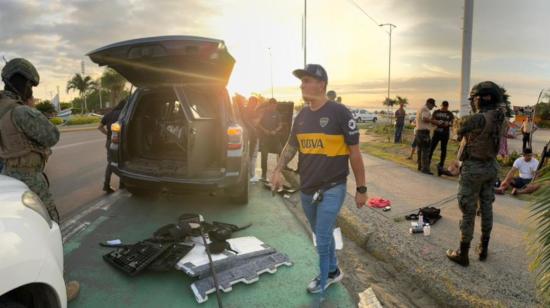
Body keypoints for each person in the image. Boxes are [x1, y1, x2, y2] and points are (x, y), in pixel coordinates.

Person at [271, 64, 367, 298]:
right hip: (307, 188)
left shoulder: (340, 112)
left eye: (306, 80)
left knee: (323, 235)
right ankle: (334, 270)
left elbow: (354, 153)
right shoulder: (301, 116)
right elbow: (291, 146)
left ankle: (324, 279)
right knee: (319, 233)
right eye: (301, 81)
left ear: (321, 84)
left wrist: (361, 188)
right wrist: (278, 170)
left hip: (333, 186)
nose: (301, 84)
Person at [0, 58, 80, 300]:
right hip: (28, 178)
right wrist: (32, 109)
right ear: (24, 84)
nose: (31, 91)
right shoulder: (20, 111)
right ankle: (59, 288)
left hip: (7, 175)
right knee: (49, 227)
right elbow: (52, 135)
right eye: (30, 87)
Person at [446, 81, 506, 267]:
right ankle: (483, 248)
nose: (472, 102)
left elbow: (456, 130)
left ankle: (463, 254)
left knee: (468, 210)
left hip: (474, 169)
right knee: (487, 208)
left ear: (483, 98)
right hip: (490, 167)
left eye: (474, 98)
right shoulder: (500, 117)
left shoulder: (478, 119)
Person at [98, 99, 126, 193]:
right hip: (121, 142)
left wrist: (108, 134)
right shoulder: (124, 114)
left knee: (110, 163)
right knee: (123, 161)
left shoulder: (109, 114)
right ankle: (122, 184)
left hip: (110, 141)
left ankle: (106, 185)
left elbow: (99, 127)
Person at [257, 98, 283, 181]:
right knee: (264, 156)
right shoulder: (263, 113)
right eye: (272, 105)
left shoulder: (277, 113)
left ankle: (279, 172)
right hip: (265, 139)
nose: (273, 107)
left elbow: (280, 125)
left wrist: (275, 130)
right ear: (269, 105)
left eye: (275, 106)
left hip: (275, 138)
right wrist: (265, 131)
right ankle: (263, 174)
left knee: (281, 153)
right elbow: (258, 123)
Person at [429, 100, 454, 171]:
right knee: (431, 147)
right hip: (436, 132)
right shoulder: (436, 112)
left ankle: (441, 164)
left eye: (446, 107)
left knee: (444, 149)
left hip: (445, 134)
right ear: (441, 105)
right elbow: (431, 120)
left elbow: (452, 122)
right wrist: (437, 122)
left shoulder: (450, 113)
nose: (444, 109)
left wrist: (448, 124)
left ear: (447, 107)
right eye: (443, 107)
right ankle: (428, 162)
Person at [415, 98, 436, 174]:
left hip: (418, 132)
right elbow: (424, 118)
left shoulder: (420, 108)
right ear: (429, 103)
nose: (433, 107)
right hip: (424, 133)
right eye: (433, 105)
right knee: (426, 151)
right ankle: (425, 169)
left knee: (420, 150)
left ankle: (420, 166)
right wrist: (434, 121)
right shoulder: (425, 109)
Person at [243, 96, 260, 182]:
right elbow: (250, 122)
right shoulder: (248, 111)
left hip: (252, 136)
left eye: (255, 103)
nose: (254, 105)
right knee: (252, 156)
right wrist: (253, 127)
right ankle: (252, 176)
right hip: (251, 137)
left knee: (251, 156)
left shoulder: (247, 110)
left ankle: (250, 175)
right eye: (254, 103)